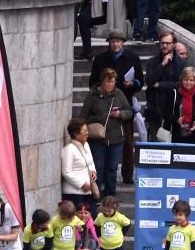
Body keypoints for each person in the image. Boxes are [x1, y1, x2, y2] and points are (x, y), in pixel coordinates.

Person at [89, 29, 144, 182]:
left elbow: (140, 82)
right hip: (103, 106)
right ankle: (102, 176)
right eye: (113, 41)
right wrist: (102, 89)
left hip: (124, 103)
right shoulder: (100, 59)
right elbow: (92, 83)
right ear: (109, 43)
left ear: (123, 43)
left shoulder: (133, 58)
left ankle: (127, 175)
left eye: (118, 41)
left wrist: (132, 84)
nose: (115, 44)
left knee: (127, 142)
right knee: (102, 142)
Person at [80, 68, 132, 198]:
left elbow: (129, 111)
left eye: (112, 82)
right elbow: (83, 115)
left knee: (112, 168)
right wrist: (95, 121)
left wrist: (120, 114)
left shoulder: (119, 94)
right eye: (107, 82)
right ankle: (97, 194)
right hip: (97, 138)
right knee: (98, 167)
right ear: (102, 82)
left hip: (116, 139)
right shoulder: (92, 95)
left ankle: (110, 196)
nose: (110, 85)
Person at [144, 30, 186, 141]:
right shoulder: (152, 62)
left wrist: (161, 85)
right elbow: (149, 81)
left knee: (173, 145)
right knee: (155, 144)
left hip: (173, 108)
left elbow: (181, 84)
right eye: (162, 43)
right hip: (155, 107)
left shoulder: (181, 63)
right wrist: (162, 64)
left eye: (167, 43)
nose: (164, 45)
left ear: (174, 44)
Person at [161, 66, 195, 144]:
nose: (188, 82)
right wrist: (177, 120)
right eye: (186, 80)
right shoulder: (174, 93)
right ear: (182, 80)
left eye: (191, 80)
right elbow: (166, 113)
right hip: (175, 135)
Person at [61, 117, 97, 210]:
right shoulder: (69, 149)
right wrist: (82, 184)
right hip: (74, 193)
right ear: (75, 133)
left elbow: (90, 162)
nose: (87, 133)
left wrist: (93, 171)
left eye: (87, 130)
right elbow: (66, 172)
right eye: (84, 131)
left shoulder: (86, 145)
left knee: (91, 217)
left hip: (88, 191)